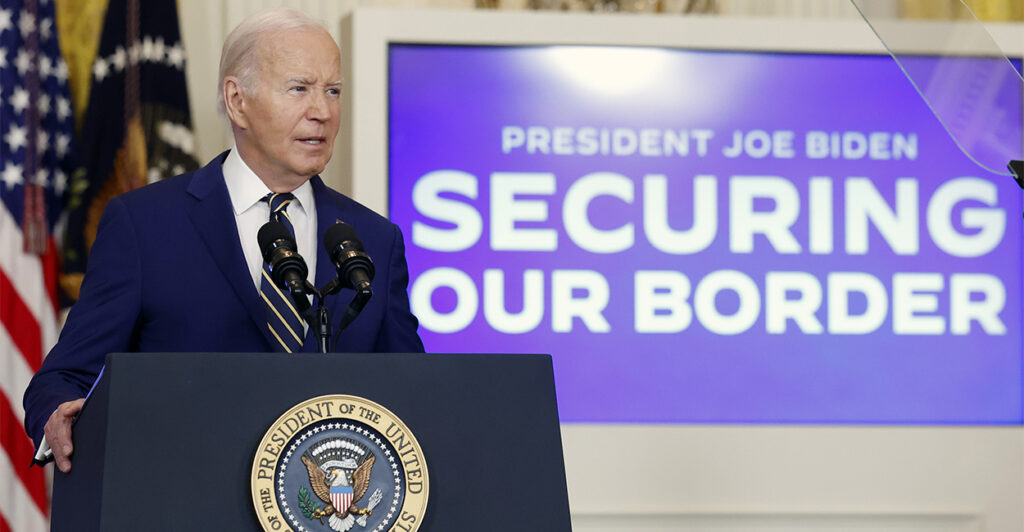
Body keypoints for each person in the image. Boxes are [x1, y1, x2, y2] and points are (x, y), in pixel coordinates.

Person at [23, 8, 424, 474]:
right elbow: (65, 377)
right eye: (299, 89)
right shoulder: (144, 225)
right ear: (237, 101)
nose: (323, 111)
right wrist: (57, 414)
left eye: (332, 90)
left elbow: (412, 394)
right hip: (181, 497)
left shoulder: (375, 239)